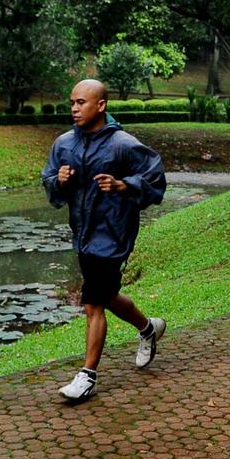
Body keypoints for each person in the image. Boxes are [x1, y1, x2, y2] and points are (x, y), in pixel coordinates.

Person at [41, 79, 167, 400]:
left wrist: (124, 185)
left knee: (93, 302)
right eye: (72, 102)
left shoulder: (122, 144)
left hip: (114, 234)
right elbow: (49, 180)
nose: (74, 108)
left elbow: (155, 178)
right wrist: (59, 180)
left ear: (101, 105)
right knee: (106, 295)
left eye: (81, 102)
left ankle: (87, 375)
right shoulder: (64, 144)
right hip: (83, 233)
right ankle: (149, 328)